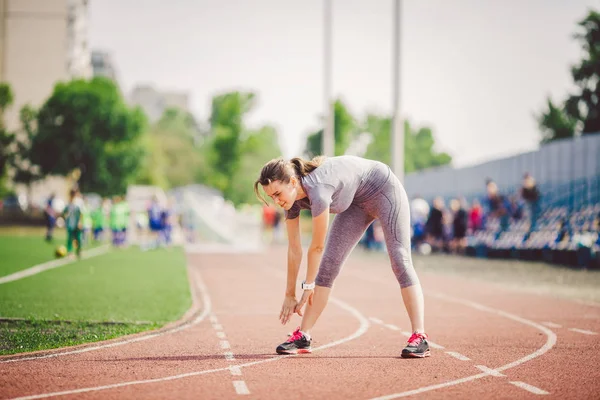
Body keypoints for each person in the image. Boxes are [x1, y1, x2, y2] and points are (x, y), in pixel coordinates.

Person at [254, 155, 429, 358]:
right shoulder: (290, 202)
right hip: (355, 203)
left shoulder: (318, 191)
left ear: (293, 182)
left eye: (277, 194)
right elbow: (294, 250)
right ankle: (304, 335)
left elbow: (316, 247)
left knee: (400, 260)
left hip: (384, 190)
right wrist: (289, 294)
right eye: (271, 197)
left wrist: (308, 286)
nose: (276, 201)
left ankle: (420, 336)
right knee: (327, 268)